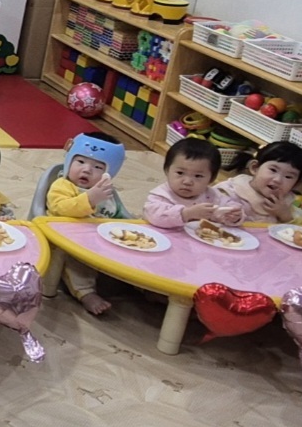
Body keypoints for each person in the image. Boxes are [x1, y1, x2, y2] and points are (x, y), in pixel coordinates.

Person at [46, 132, 127, 315]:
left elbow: (118, 213)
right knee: (77, 263)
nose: (87, 170)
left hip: (99, 237)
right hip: (68, 238)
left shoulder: (105, 190)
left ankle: (142, 287)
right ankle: (85, 292)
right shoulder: (63, 185)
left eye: (98, 167)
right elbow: (60, 208)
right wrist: (89, 199)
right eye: (80, 162)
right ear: (69, 161)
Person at [143, 137, 243, 229]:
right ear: (167, 170)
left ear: (211, 179)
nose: (187, 182)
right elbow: (154, 216)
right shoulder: (161, 195)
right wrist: (186, 214)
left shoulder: (212, 195)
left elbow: (231, 205)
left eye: (198, 176)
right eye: (180, 173)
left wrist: (234, 215)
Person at [214, 140, 302, 225]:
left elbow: (300, 230)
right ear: (255, 168)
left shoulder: (284, 203)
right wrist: (229, 216)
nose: (278, 179)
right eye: (273, 170)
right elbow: (208, 213)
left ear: (296, 184)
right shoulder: (230, 190)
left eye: (288, 176)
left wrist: (284, 215)